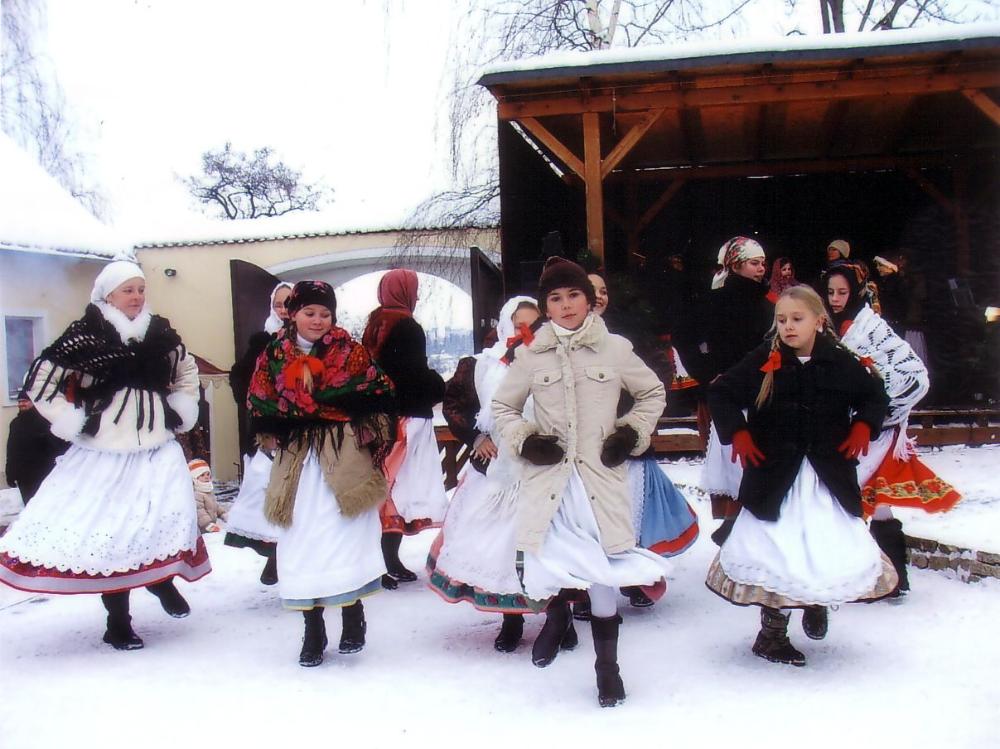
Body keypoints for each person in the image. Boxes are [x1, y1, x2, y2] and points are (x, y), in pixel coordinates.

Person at [0, 257, 210, 651]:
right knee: (112, 532)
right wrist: (72, 421)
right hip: (105, 450)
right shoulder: (85, 334)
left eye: (141, 289)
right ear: (107, 294)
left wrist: (182, 407)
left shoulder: (160, 332)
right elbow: (41, 382)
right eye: (127, 290)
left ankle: (162, 581)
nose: (136, 296)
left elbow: (186, 370)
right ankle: (118, 622)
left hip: (156, 443)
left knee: (164, 516)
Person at [493, 256, 670, 708]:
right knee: (547, 556)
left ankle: (606, 668)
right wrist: (526, 440)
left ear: (590, 301)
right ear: (545, 306)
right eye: (555, 298)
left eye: (574, 295)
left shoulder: (615, 348)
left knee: (602, 570)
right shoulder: (530, 356)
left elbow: (652, 393)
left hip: (598, 480)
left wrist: (630, 433)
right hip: (550, 479)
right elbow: (503, 409)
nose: (566, 304)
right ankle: (557, 618)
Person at [705, 285, 897, 667]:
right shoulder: (766, 358)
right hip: (776, 476)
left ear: (818, 321)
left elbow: (876, 396)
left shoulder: (841, 362)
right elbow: (722, 393)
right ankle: (771, 634)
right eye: (781, 320)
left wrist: (863, 424)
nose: (788, 327)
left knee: (822, 542)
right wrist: (738, 431)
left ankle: (816, 600)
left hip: (826, 475)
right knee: (780, 548)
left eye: (797, 319)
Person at [247, 280, 396, 667]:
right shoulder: (275, 353)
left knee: (344, 534)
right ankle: (312, 629)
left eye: (325, 314)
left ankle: (352, 615)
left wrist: (364, 424)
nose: (317, 320)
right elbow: (259, 398)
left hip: (341, 453)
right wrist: (272, 429)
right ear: (292, 313)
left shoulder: (350, 352)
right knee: (302, 540)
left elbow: (380, 390)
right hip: (297, 459)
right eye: (309, 312)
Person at [824, 260, 960, 596]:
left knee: (866, 501)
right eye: (830, 292)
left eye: (842, 292)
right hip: (845, 429)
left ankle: (887, 579)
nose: (836, 298)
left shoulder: (873, 327)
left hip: (877, 432)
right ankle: (880, 578)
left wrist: (883, 411)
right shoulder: (825, 324)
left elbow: (914, 375)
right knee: (864, 502)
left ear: (856, 291)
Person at [427, 296, 544, 653]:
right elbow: (455, 405)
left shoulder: (552, 361)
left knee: (546, 544)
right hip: (496, 472)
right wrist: (476, 438)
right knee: (498, 548)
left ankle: (559, 617)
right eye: (519, 323)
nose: (526, 331)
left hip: (542, 466)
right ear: (505, 324)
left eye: (533, 323)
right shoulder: (481, 365)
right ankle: (512, 619)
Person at [582, 271, 698, 612]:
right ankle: (590, 587)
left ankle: (634, 577)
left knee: (631, 512)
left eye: (604, 290)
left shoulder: (624, 336)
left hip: (624, 442)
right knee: (588, 518)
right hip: (584, 448)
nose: (599, 296)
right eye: (592, 291)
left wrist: (632, 424)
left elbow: (655, 378)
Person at [362, 269, 448, 588]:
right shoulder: (408, 326)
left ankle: (380, 559)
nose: (418, 295)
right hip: (406, 418)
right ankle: (387, 559)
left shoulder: (375, 324)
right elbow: (413, 375)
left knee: (384, 486)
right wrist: (438, 387)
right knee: (398, 487)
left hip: (380, 418)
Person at [690, 237, 773, 544]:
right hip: (727, 399)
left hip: (762, 395)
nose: (760, 268)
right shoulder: (714, 300)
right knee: (731, 464)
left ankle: (750, 532)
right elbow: (686, 336)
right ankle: (733, 530)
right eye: (754, 262)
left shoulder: (768, 302)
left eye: (763, 262)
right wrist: (707, 374)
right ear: (736, 265)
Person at [225, 281, 294, 585]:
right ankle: (274, 555)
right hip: (271, 431)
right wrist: (261, 408)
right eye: (279, 304)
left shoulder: (316, 339)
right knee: (268, 491)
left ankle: (290, 557)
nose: (284, 310)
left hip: (304, 430)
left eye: (289, 303)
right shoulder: (261, 341)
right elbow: (240, 381)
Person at [4, 396, 69, 503]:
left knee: (44, 506)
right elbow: (11, 450)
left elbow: (58, 448)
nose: (21, 404)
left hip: (43, 474)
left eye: (25, 401)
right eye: (19, 401)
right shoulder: (15, 424)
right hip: (24, 477)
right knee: (29, 506)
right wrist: (10, 473)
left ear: (33, 402)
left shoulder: (44, 421)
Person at [189, 458, 227, 532]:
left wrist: (223, 514)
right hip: (202, 529)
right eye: (202, 475)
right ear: (194, 478)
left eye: (208, 474)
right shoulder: (197, 493)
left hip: (210, 527)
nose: (206, 477)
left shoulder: (208, 491)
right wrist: (208, 525)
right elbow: (200, 512)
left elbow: (215, 506)